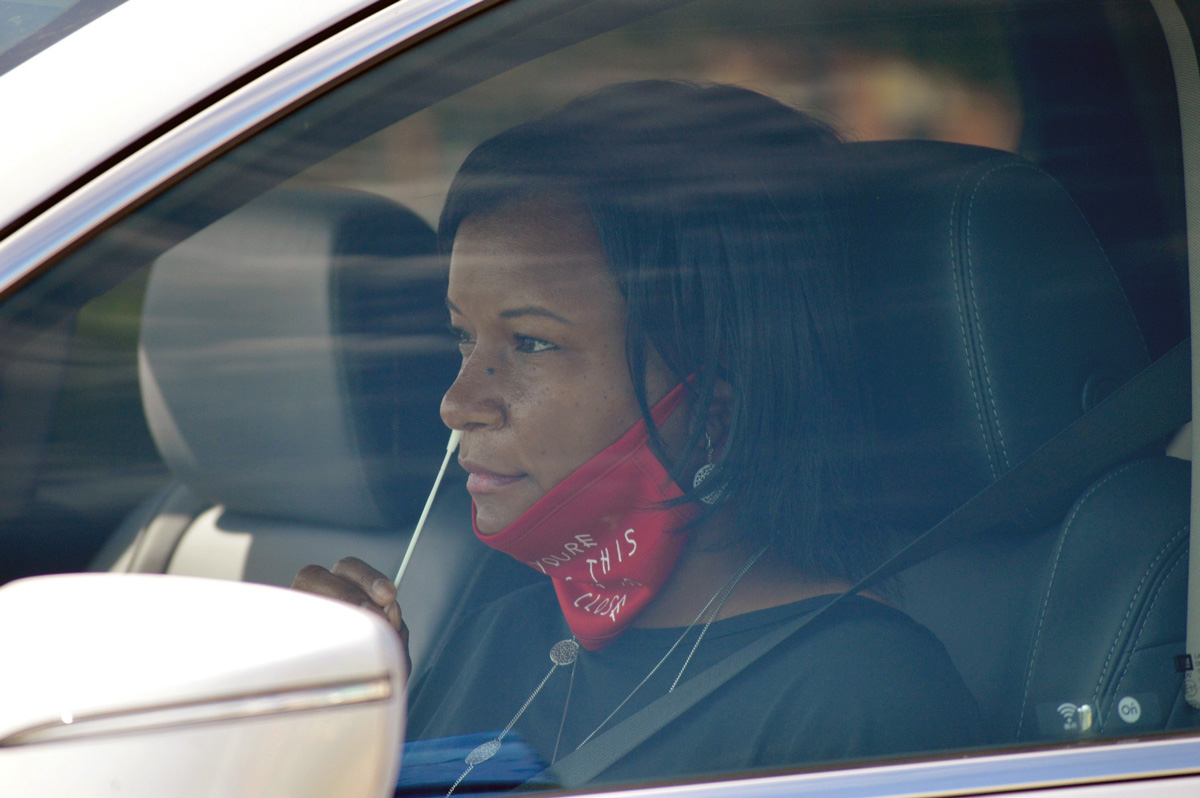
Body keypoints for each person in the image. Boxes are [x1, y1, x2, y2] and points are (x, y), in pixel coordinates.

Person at [293, 80, 982, 791]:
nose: (458, 402)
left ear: (715, 407)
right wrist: (341, 728)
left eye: (530, 343)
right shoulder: (497, 633)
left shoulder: (862, 695)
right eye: (464, 338)